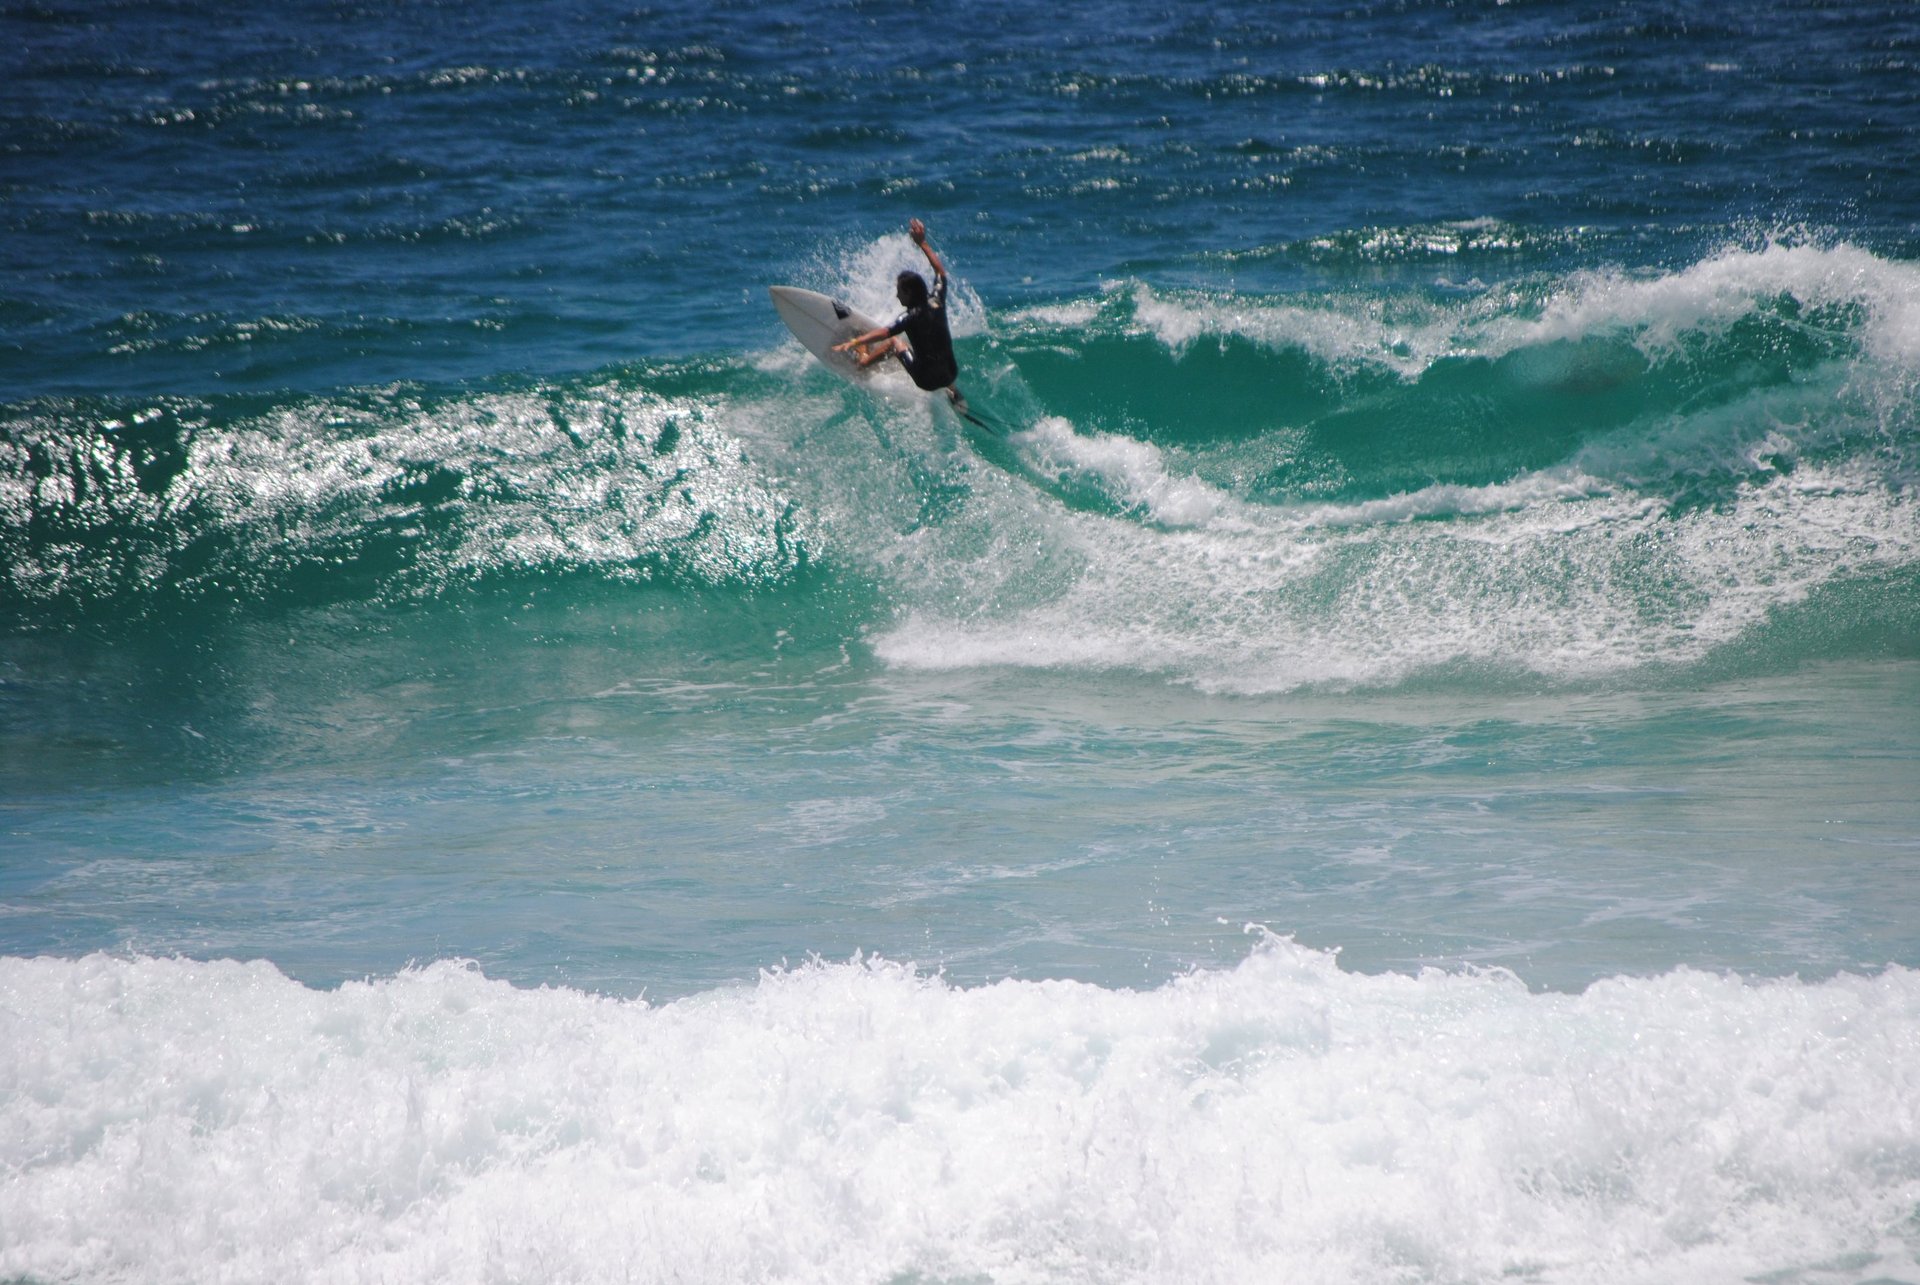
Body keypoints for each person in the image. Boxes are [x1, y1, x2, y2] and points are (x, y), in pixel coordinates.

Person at [833, 218, 966, 409]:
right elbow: (940, 272)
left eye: (899, 291)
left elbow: (885, 333)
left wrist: (855, 342)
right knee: (931, 347)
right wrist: (922, 243)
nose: (896, 295)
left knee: (896, 343)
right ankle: (952, 391)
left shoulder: (909, 317)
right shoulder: (937, 299)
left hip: (926, 381)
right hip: (951, 373)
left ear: (909, 293)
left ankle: (863, 362)